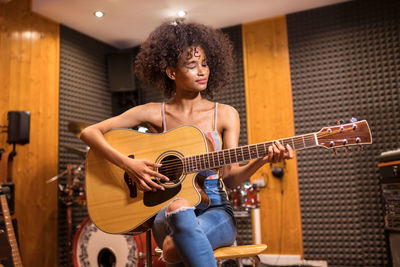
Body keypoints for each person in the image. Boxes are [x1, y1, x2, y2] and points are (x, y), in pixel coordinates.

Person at [80, 21, 293, 267]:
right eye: (192, 65)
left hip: (216, 209)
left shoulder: (225, 114)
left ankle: (176, 247)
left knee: (174, 245)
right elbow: (90, 133)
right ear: (172, 72)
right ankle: (178, 244)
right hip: (165, 210)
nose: (202, 71)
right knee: (178, 207)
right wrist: (129, 165)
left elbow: (231, 178)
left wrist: (263, 159)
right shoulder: (154, 112)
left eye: (204, 64)